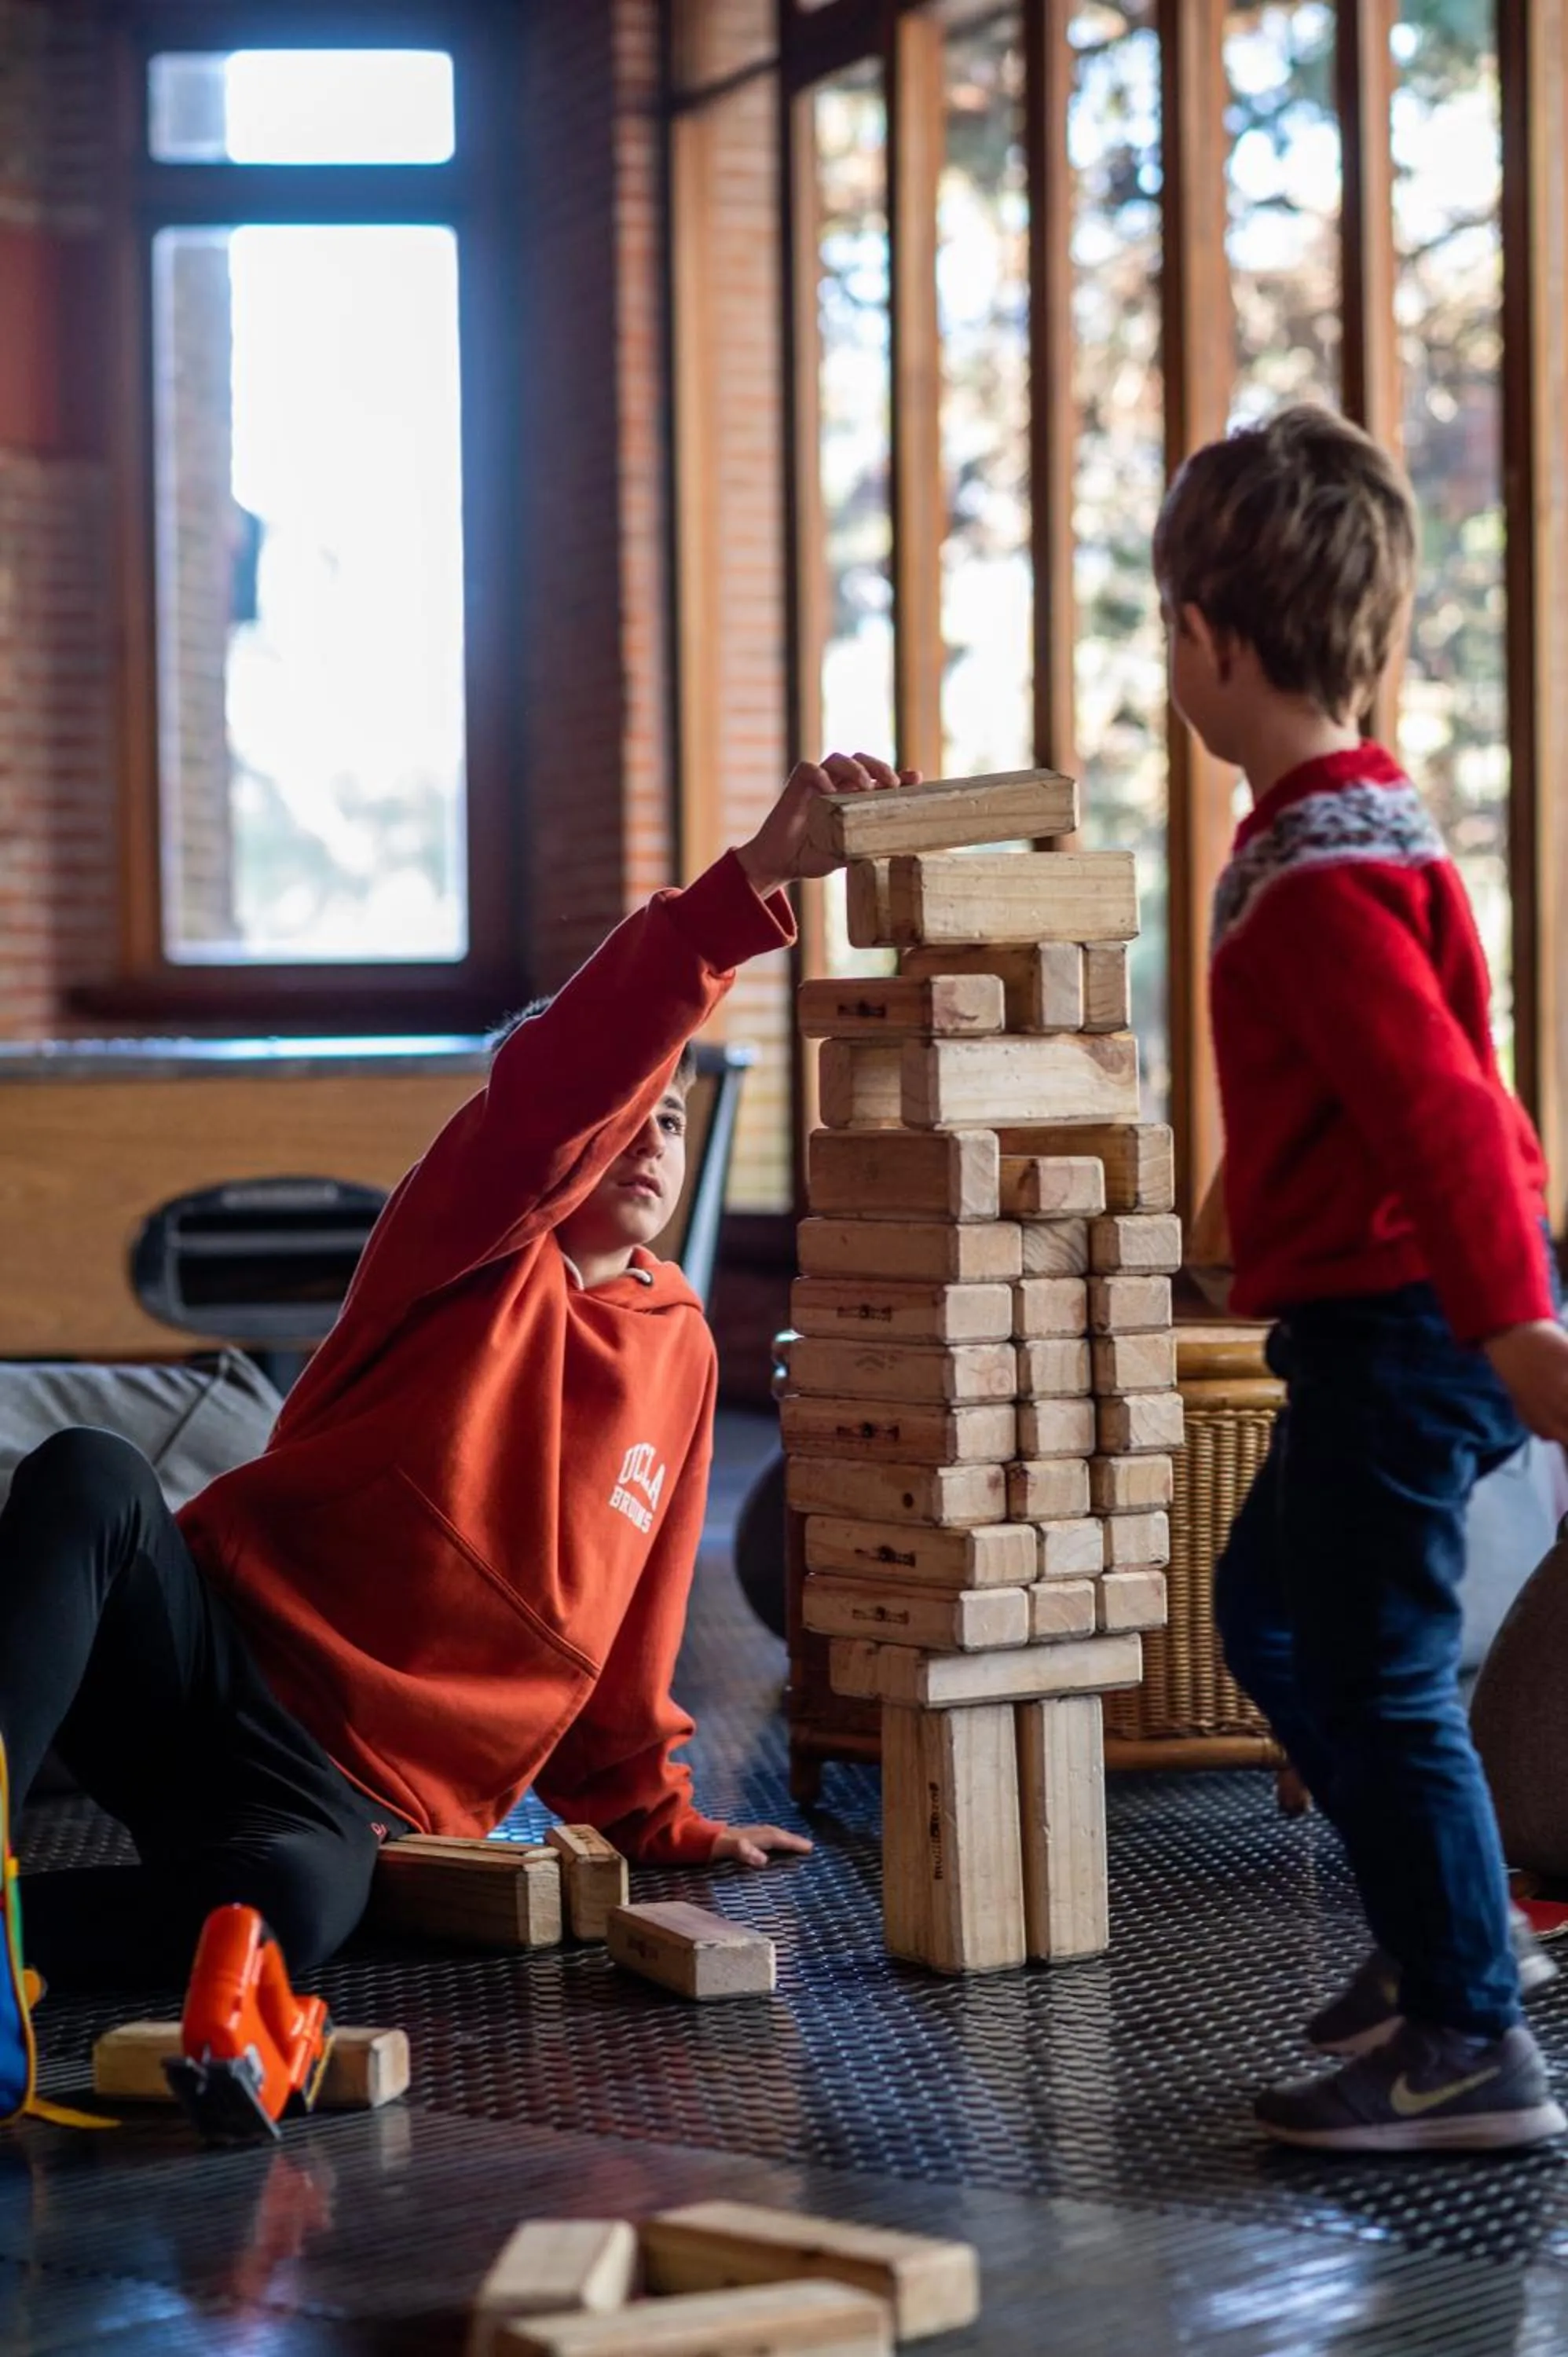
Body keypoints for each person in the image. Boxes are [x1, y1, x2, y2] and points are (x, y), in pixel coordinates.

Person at [0, 751, 913, 1989]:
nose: (651, 1138)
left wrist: (654, 1818)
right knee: (93, 1475)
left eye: (674, 1122)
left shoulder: (683, 1347)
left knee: (298, 1917)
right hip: (206, 1656)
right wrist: (744, 887)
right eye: (629, 1110)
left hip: (348, 1793)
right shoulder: (469, 1239)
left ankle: (24, 1952)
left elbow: (637, 1630)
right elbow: (558, 1089)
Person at [1156, 402, 1568, 2154]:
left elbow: (1442, 1113)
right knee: (1267, 1605)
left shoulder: (1313, 877)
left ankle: (1469, 2029)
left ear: (1207, 640)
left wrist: (1517, 1329)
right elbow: (1338, 1094)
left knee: (1378, 1664)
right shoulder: (1341, 822)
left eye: (1166, 626)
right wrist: (1240, 1218)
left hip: (1421, 1326)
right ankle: (1439, 1935)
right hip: (1384, 1318)